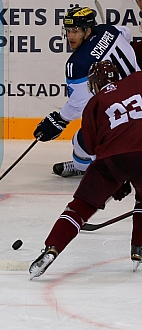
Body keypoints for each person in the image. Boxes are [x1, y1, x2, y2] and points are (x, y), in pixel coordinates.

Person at [30, 61, 142, 279]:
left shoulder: (95, 102)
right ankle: (139, 248)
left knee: (79, 208)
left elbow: (92, 148)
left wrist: (115, 178)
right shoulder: (138, 79)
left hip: (111, 159)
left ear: (94, 84)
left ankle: (52, 248)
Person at [33, 6, 138, 177]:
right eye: (68, 31)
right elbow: (127, 33)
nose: (70, 36)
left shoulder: (77, 64)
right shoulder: (109, 30)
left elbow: (78, 105)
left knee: (81, 139)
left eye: (75, 31)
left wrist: (60, 120)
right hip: (138, 100)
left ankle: (85, 168)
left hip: (121, 115)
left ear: (88, 30)